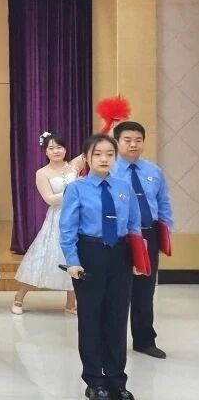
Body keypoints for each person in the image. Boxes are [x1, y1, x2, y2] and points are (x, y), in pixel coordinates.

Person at [61, 134, 142, 400]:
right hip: (90, 253)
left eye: (109, 154)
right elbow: (68, 228)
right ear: (87, 157)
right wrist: (73, 260)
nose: (104, 159)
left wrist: (138, 258)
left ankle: (117, 380)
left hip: (120, 254)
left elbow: (134, 225)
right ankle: (95, 381)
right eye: (97, 154)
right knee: (91, 319)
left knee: (117, 319)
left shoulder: (124, 187)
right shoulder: (77, 188)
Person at [111, 121, 173, 359]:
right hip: (120, 235)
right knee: (117, 291)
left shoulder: (153, 171)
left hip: (149, 234)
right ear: (117, 142)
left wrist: (165, 231)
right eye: (127, 140)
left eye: (138, 140)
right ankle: (113, 343)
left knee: (145, 290)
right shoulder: (109, 169)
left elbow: (163, 201)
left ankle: (144, 341)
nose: (133, 144)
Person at [13, 132, 85, 315]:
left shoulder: (74, 166)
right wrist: (74, 188)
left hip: (77, 216)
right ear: (45, 151)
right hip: (57, 217)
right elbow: (49, 199)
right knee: (42, 256)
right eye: (51, 148)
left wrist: (110, 125)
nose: (56, 151)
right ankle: (19, 297)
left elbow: (92, 149)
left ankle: (71, 303)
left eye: (59, 147)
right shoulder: (42, 173)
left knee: (75, 256)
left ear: (65, 149)